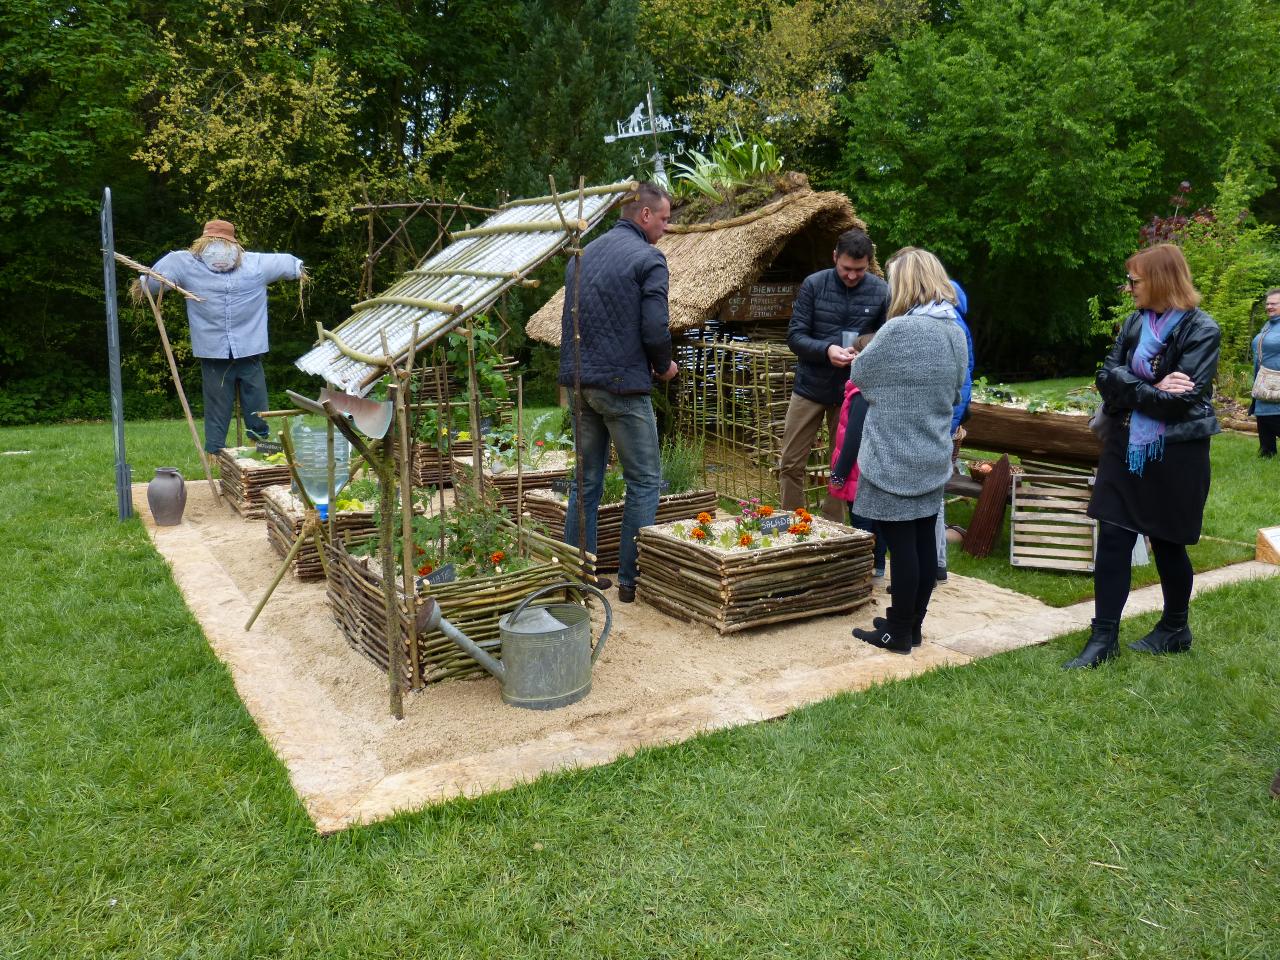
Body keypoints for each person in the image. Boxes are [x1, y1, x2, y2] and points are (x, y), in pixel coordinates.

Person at [1065, 243, 1221, 669]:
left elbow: (1180, 403)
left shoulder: (1202, 329)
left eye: (1134, 280)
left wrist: (1126, 384)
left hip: (1177, 451)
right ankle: (1103, 638)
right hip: (1125, 443)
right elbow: (1105, 375)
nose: (1129, 287)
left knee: (1169, 542)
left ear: (1161, 280)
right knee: (1113, 537)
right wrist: (1145, 390)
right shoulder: (1135, 322)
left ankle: (1174, 628)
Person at [559, 182, 678, 603]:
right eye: (663, 218)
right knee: (645, 481)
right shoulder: (649, 259)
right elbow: (654, 327)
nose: (666, 227)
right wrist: (664, 366)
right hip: (623, 386)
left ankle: (577, 576)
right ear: (644, 215)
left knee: (585, 481)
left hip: (579, 383)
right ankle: (631, 580)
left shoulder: (582, 255)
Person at [846, 249, 968, 654]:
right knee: (919, 544)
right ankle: (912, 625)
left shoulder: (900, 330)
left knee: (902, 548)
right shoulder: (953, 329)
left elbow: (860, 374)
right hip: (931, 451)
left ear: (907, 283)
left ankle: (896, 632)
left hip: (893, 455)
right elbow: (954, 393)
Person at [135, 220, 304, 453]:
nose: (218, 252)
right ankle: (216, 454)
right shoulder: (185, 264)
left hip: (250, 351)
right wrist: (145, 285)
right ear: (203, 244)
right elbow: (151, 283)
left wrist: (299, 270)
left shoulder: (254, 264)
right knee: (217, 407)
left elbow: (288, 263)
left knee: (257, 405)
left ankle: (263, 450)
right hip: (213, 354)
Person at [781, 229, 889, 521]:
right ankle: (793, 523)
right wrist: (827, 349)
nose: (852, 275)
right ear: (834, 258)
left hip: (853, 391)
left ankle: (832, 528)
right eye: (846, 269)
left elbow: (886, 339)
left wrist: (861, 348)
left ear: (869, 263)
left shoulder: (881, 291)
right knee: (791, 461)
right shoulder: (814, 285)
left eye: (859, 270)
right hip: (810, 387)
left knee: (843, 464)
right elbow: (795, 337)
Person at [1251, 288, 1280, 458]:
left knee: (1273, 414)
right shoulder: (1268, 324)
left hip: (1276, 381)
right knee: (1262, 413)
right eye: (1268, 303)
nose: (1269, 306)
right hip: (1263, 380)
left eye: (1274, 303)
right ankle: (1267, 453)